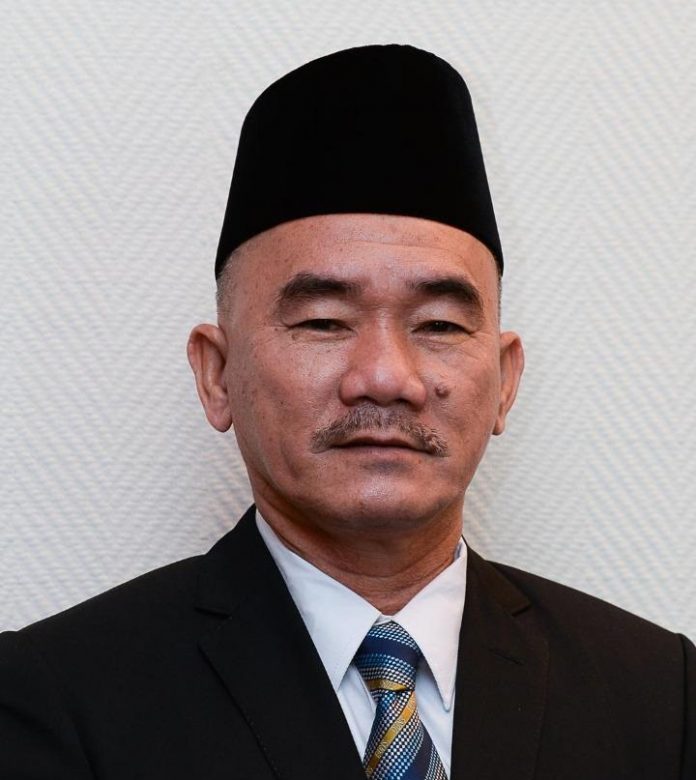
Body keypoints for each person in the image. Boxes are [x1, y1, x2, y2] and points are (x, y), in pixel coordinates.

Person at [1, 44, 693, 780]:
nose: (387, 378)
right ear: (217, 374)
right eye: (324, 322)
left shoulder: (661, 697)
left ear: (504, 380)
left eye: (439, 325)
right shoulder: (55, 699)